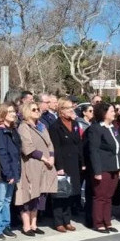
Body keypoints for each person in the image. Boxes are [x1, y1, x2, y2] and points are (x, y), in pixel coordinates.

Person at [16, 101, 57, 236]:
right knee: (29, 195)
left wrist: (51, 157)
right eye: (34, 109)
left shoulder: (41, 126)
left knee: (40, 195)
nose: (37, 111)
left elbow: (50, 143)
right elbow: (27, 147)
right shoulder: (24, 127)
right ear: (27, 111)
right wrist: (44, 158)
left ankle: (34, 224)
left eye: (38, 109)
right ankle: (26, 225)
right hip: (32, 164)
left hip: (45, 166)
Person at [85, 102, 120, 234]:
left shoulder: (113, 128)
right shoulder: (96, 128)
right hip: (103, 168)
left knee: (108, 196)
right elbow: (94, 150)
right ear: (103, 113)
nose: (114, 113)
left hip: (114, 167)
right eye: (111, 111)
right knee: (100, 196)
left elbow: (118, 149)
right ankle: (98, 223)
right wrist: (97, 171)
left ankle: (107, 221)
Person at [48, 98, 83, 233]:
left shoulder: (75, 124)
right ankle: (58, 222)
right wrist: (59, 167)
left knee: (70, 193)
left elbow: (79, 143)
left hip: (74, 162)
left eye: (71, 107)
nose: (71, 110)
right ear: (61, 110)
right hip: (62, 163)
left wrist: (82, 162)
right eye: (68, 108)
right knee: (60, 194)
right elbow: (56, 148)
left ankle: (67, 220)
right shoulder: (55, 126)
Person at [0, 104, 20, 239]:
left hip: (13, 170)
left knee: (7, 200)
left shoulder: (13, 130)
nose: (13, 114)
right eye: (9, 112)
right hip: (4, 173)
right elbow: (2, 153)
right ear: (2, 114)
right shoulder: (0, 132)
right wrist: (8, 173)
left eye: (13, 111)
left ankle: (5, 225)